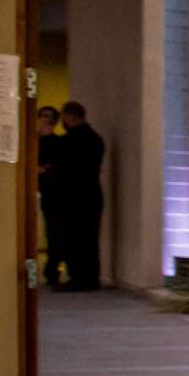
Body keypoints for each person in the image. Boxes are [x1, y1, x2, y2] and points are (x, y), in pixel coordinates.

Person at [51, 100, 105, 291]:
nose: (62, 122)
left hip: (72, 197)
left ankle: (79, 278)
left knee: (72, 238)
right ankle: (91, 277)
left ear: (70, 117)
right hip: (91, 194)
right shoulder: (96, 139)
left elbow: (59, 165)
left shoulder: (70, 141)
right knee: (89, 237)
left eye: (64, 117)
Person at [35, 106, 63, 285]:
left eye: (50, 118)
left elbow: (54, 168)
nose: (46, 121)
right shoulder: (31, 140)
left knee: (53, 231)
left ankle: (51, 270)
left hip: (50, 193)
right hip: (39, 192)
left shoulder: (57, 143)